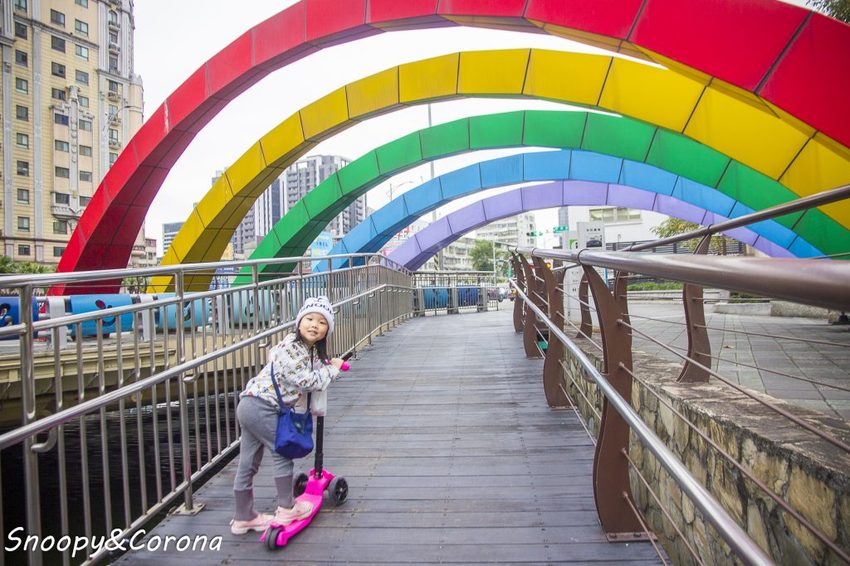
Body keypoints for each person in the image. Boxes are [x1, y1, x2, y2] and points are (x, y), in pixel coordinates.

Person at [230, 296, 345, 535]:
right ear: (299, 322)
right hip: (263, 406)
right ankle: (286, 508)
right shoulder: (291, 348)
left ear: (327, 331)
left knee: (248, 462)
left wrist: (328, 364)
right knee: (282, 451)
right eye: (310, 319)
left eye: (322, 322)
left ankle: (244, 516)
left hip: (249, 404)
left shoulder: (305, 349)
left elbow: (311, 370)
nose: (315, 325)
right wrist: (332, 371)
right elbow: (306, 380)